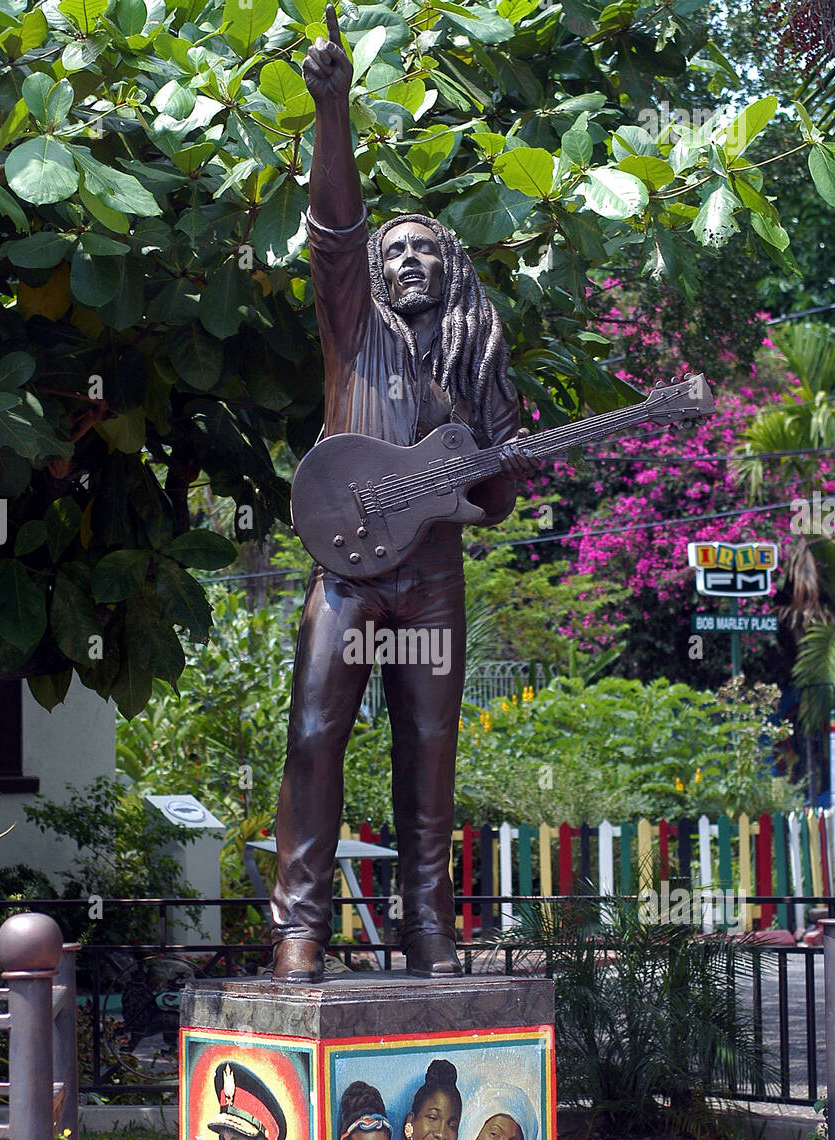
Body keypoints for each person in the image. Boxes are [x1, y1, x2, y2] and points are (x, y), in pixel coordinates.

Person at [269, 4, 541, 983]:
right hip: (345, 573)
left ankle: (426, 927)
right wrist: (331, 106)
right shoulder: (354, 327)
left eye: (423, 250)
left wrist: (502, 471)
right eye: (395, 254)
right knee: (312, 733)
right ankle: (300, 927)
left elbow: (499, 505)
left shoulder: (475, 364)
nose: (405, 260)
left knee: (429, 752)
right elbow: (334, 227)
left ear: (451, 268)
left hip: (429, 578)